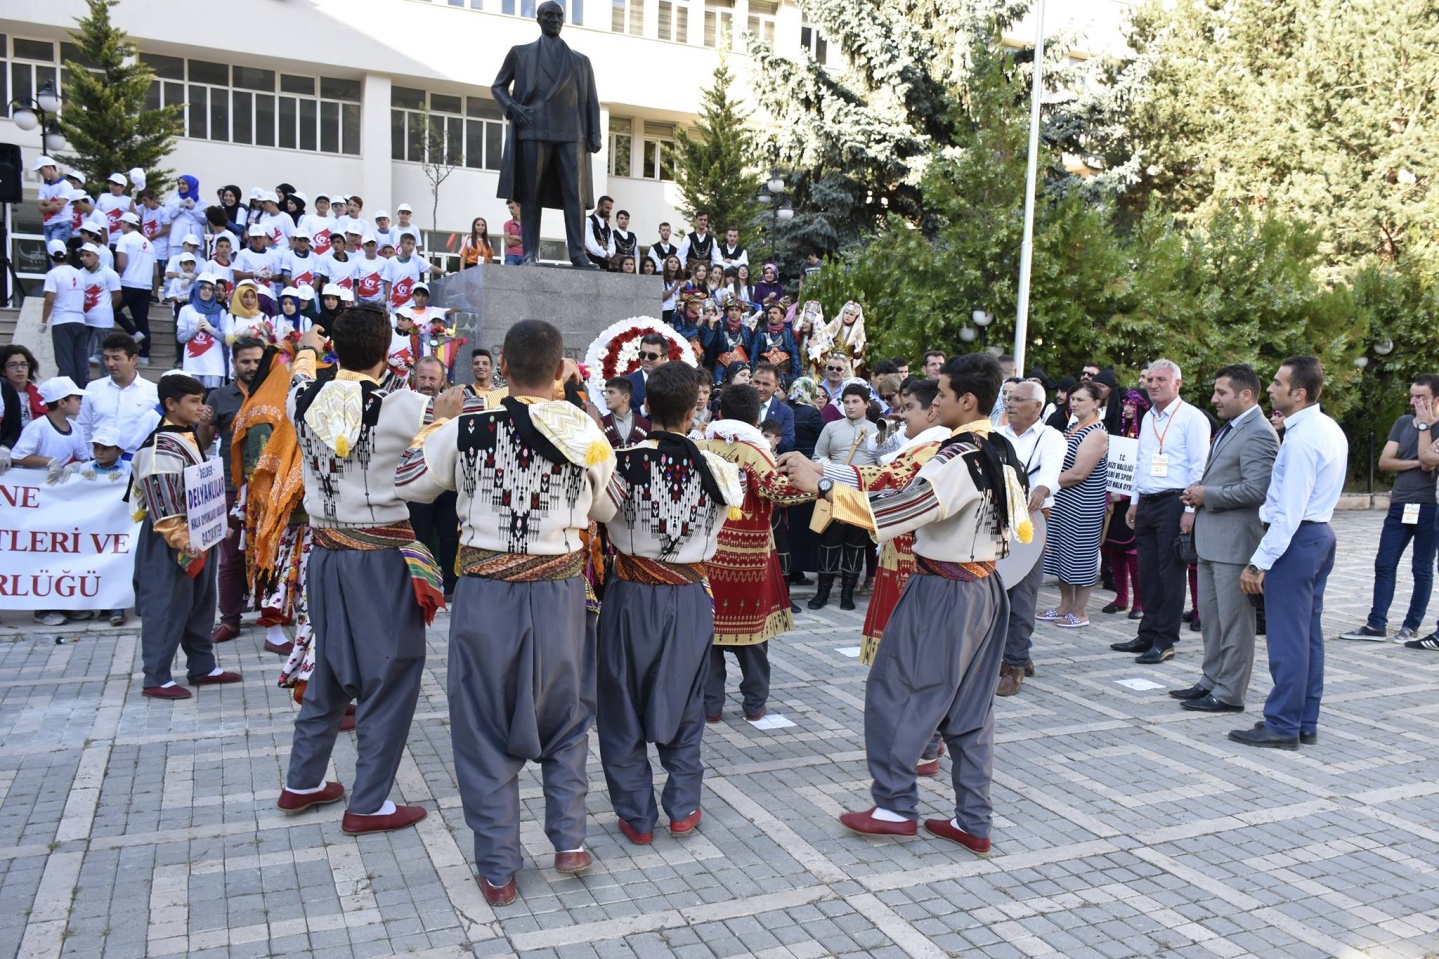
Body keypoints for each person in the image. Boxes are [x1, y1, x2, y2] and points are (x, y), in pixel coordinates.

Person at [397, 318, 614, 906]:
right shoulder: (585, 432)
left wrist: (437, 418)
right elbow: (607, 510)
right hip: (561, 590)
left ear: (506, 372)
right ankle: (569, 839)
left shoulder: (466, 429)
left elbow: (409, 482)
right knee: (567, 714)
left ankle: (498, 868)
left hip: (487, 590)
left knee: (483, 723)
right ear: (562, 368)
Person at [792, 354, 1029, 851]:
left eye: (941, 394)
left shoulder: (958, 456)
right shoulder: (1004, 449)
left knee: (897, 693)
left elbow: (900, 509)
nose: (933, 400)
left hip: (943, 590)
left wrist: (823, 484)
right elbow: (1020, 524)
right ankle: (972, 819)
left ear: (967, 401)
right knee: (971, 709)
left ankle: (895, 805)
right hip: (984, 587)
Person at [275, 307, 444, 837]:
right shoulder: (405, 406)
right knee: (389, 672)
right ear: (388, 349)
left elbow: (300, 371)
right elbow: (450, 434)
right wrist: (454, 408)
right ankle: (368, 802)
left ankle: (302, 781)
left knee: (330, 663)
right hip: (378, 554)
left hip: (324, 551)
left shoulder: (301, 396)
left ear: (333, 350)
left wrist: (308, 346)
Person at [595, 360, 743, 846]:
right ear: (693, 408)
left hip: (631, 595)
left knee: (620, 702)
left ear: (644, 406)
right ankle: (682, 807)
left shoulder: (620, 461)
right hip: (689, 598)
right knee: (686, 698)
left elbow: (598, 512)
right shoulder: (719, 468)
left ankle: (637, 816)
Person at [1231, 357, 1346, 748]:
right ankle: (1303, 719)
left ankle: (1282, 724)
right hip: (1316, 536)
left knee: (1288, 640)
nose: (1273, 388)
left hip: (1297, 539)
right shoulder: (1325, 427)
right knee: (1307, 635)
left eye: (1279, 384)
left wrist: (1258, 563)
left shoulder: (1303, 439)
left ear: (1299, 393)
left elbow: (1288, 512)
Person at [697, 384, 811, 722]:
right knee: (752, 639)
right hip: (748, 560)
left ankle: (710, 705)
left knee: (710, 638)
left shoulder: (700, 446)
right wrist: (819, 488)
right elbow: (781, 492)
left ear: (720, 412)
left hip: (707, 556)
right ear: (755, 416)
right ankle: (754, 704)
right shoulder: (755, 453)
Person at [1170, 364, 1279, 715]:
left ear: (1245, 395)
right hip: (1212, 538)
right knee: (1213, 619)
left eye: (1222, 393)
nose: (1214, 399)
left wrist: (1207, 495)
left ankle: (1230, 692)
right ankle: (1210, 680)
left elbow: (1258, 489)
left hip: (1235, 542)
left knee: (1234, 621)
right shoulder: (1234, 427)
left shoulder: (1259, 432)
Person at [128, 373, 243, 699]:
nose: (201, 407)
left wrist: (216, 524)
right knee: (165, 607)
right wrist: (184, 540)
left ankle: (202, 666)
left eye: (201, 399)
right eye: (193, 401)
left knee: (202, 604)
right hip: (172, 542)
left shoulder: (187, 436)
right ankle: (156, 677)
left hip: (199, 535)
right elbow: (163, 507)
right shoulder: (159, 447)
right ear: (170, 404)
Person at [1110, 359, 1211, 664]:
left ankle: (1165, 639)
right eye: (1150, 379)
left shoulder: (1191, 418)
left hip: (1174, 502)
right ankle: (1148, 632)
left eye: (1161, 380)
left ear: (1177, 383)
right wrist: (1136, 502)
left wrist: (1190, 509)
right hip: (1148, 502)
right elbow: (1142, 462)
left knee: (1169, 574)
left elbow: (1199, 466)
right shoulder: (1149, 417)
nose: (1153, 384)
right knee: (1148, 571)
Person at [492, 2, 603, 269]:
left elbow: (591, 102)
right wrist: (514, 109)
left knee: (574, 195)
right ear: (538, 19)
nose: (555, 20)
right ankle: (530, 252)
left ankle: (578, 253)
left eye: (559, 16)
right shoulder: (521, 54)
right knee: (531, 194)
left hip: (571, 132)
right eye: (549, 16)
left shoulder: (580, 61)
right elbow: (498, 87)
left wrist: (595, 133)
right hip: (533, 128)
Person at [1339, 374, 1439, 643]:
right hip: (1399, 504)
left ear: (1436, 400)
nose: (1414, 401)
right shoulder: (1402, 422)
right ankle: (1376, 624)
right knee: (1384, 563)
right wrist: (1418, 461)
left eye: (1421, 397)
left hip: (1429, 507)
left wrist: (1424, 433)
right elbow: (1385, 461)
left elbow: (1430, 463)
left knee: (1422, 568)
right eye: (1412, 395)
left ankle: (1411, 625)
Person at [996, 380, 1065, 695]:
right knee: (996, 592)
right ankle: (1013, 655)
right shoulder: (996, 435)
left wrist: (1041, 490)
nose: (1009, 404)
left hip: (1032, 522)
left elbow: (1051, 473)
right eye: (1008, 398)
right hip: (996, 521)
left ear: (1036, 407)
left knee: (1023, 595)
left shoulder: (1051, 437)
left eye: (1018, 400)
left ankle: (1014, 666)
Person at [199, 338, 265, 644]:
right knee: (230, 557)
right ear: (233, 364)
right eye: (245, 362)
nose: (251, 367)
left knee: (270, 554)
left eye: (256, 361)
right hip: (230, 485)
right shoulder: (219, 396)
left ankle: (272, 615)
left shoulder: (276, 393)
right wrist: (203, 422)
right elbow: (202, 442)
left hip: (269, 488)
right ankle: (229, 619)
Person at [1037, 382, 1109, 629]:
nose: (1074, 403)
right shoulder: (1074, 427)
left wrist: (1043, 484)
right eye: (1072, 399)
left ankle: (1080, 610)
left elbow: (1079, 473)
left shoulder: (1096, 432)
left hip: (1083, 504)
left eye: (1080, 399)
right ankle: (1065, 605)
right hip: (1063, 501)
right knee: (1061, 552)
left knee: (1080, 555)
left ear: (1096, 403)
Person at [809, 383, 880, 610]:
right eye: (846, 402)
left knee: (855, 544)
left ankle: (847, 594)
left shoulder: (877, 431)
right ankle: (822, 593)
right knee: (829, 544)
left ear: (866, 404)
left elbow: (883, 463)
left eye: (855, 401)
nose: (850, 406)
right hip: (834, 493)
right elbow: (818, 456)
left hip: (861, 495)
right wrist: (831, 469)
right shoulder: (831, 427)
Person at [1100, 388, 1150, 618]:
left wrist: (1128, 496)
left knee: (1133, 553)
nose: (1128, 408)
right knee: (1113, 549)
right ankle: (1121, 597)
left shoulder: (1148, 435)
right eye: (1126, 404)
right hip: (1115, 502)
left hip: (1135, 502)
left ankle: (1139, 602)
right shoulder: (1120, 433)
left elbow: (1145, 471)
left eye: (1132, 404)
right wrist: (1109, 495)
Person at [77, 333, 160, 454]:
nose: (110, 364)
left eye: (116, 358)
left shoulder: (153, 392)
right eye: (106, 358)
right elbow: (83, 428)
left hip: (135, 465)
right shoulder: (93, 388)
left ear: (133, 359)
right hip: (95, 465)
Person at [40, 240, 89, 386]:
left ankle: (68, 395)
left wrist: (43, 321)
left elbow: (49, 300)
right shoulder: (79, 273)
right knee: (80, 361)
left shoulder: (53, 274)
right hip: (80, 320)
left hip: (62, 321)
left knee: (65, 361)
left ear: (50, 255)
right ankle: (81, 395)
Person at [113, 212, 156, 364]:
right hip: (145, 286)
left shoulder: (124, 239)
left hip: (128, 282)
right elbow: (155, 271)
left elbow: (122, 263)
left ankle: (133, 332)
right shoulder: (149, 244)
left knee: (112, 309)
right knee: (142, 319)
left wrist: (118, 274)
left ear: (126, 223)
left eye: (121, 223)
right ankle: (144, 354)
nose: (120, 225)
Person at [176, 275, 229, 388]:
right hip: (193, 364)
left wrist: (211, 330)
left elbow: (226, 339)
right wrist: (195, 329)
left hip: (214, 366)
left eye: (210, 289)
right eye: (203, 288)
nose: (207, 291)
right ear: (197, 289)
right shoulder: (186, 310)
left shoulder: (220, 311)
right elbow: (180, 338)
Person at [751, 305, 801, 386]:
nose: (771, 315)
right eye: (770, 313)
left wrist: (794, 378)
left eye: (775, 313)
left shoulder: (789, 333)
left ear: (782, 316)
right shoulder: (760, 333)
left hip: (784, 376)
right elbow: (753, 355)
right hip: (764, 376)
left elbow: (795, 356)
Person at [751, 363, 794, 454]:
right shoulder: (740, 405)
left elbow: (788, 444)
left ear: (775, 386)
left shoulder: (785, 411)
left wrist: (768, 438)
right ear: (751, 381)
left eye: (766, 384)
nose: (760, 388)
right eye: (757, 382)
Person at [625, 333, 669, 413]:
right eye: (642, 354)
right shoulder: (625, 382)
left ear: (664, 358)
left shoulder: (674, 382)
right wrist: (644, 409)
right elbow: (619, 415)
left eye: (652, 356)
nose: (646, 359)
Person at [601, 377, 650, 447]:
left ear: (626, 397)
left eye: (611, 392)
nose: (606, 397)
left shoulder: (644, 424)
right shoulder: (601, 423)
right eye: (606, 392)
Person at [585, 195, 615, 269]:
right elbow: (589, 241)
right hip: (591, 260)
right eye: (607, 208)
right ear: (599, 206)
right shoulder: (589, 221)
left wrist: (609, 253)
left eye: (610, 208)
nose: (608, 211)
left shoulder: (608, 227)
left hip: (604, 262)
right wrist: (603, 253)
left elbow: (612, 244)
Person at [501, 200, 525, 265]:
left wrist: (514, 237)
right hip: (511, 255)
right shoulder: (507, 224)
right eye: (509, 208)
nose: (510, 210)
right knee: (509, 274)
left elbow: (530, 241)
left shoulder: (527, 224)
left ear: (519, 207)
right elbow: (508, 242)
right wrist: (522, 239)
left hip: (525, 255)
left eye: (512, 208)